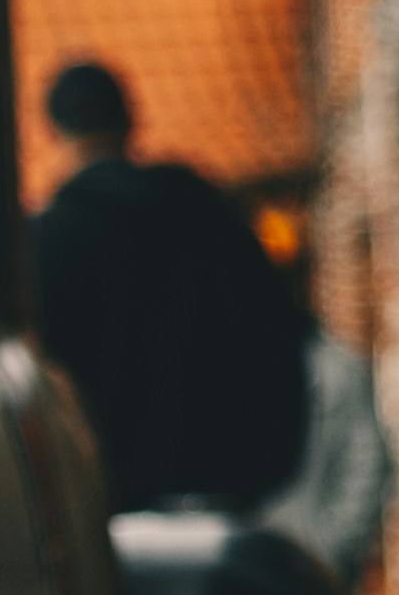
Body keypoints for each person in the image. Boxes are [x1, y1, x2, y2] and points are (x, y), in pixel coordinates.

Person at [28, 57, 315, 512]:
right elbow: (278, 333)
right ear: (131, 120)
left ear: (52, 132)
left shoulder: (44, 246)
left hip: (110, 505)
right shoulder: (207, 214)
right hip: (228, 488)